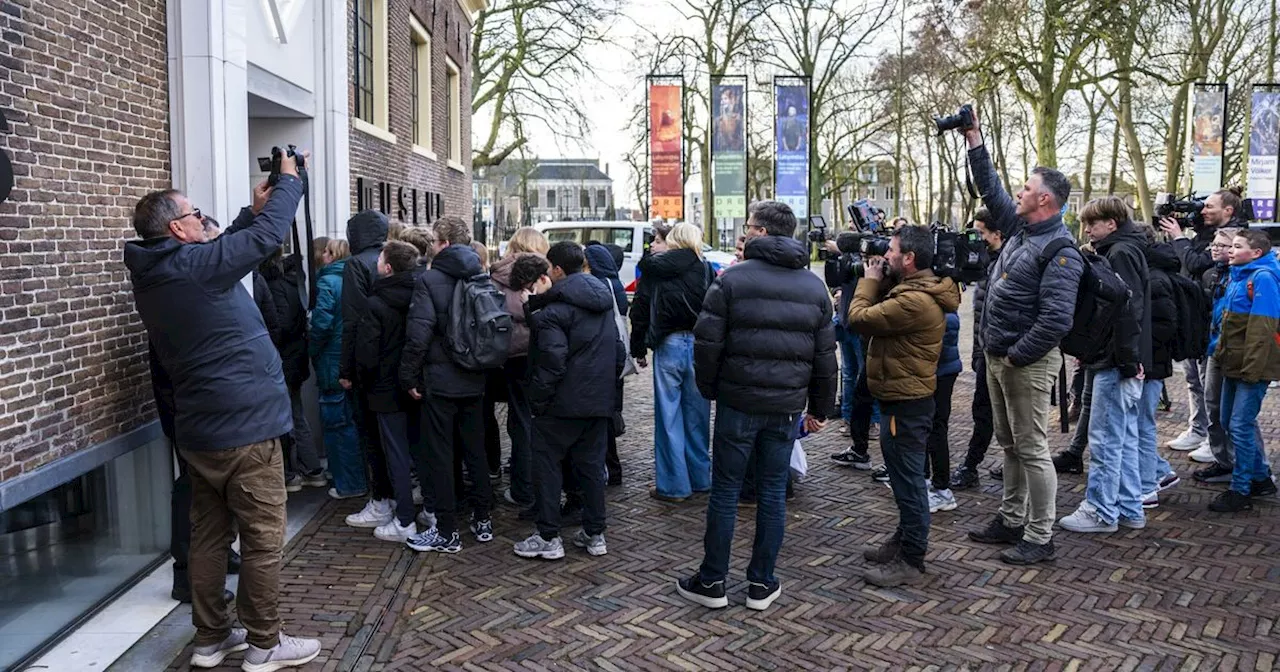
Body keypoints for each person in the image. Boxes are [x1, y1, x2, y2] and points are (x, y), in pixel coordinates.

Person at [125, 156, 321, 669]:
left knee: (209, 537)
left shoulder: (160, 271)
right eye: (196, 214)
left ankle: (211, 638)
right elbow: (262, 240)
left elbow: (224, 249)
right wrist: (289, 184)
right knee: (262, 541)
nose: (203, 219)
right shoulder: (192, 269)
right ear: (177, 228)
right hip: (246, 428)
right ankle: (264, 644)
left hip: (200, 430)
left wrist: (246, 212)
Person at [675, 200, 836, 612]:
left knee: (726, 491)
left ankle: (712, 580)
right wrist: (819, 408)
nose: (743, 233)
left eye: (748, 226)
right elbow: (825, 357)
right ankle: (762, 583)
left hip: (737, 403)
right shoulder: (813, 285)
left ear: (762, 232)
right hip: (784, 408)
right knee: (770, 492)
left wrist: (711, 389)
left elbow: (707, 344)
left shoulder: (731, 280)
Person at [957, 106, 1084, 566]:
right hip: (999, 356)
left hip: (1022, 362)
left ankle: (1040, 534)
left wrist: (1015, 356)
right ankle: (1010, 519)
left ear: (1045, 200)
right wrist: (975, 140)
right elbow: (990, 188)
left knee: (1032, 448)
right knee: (1009, 444)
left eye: (1027, 188)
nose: (1019, 191)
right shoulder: (1019, 229)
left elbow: (1056, 319)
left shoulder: (1060, 248)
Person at [848, 225, 961, 586]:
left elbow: (859, 318)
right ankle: (903, 540)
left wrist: (867, 280)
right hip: (904, 398)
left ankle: (912, 560)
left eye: (893, 250)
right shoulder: (915, 289)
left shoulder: (914, 301)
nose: (887, 255)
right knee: (903, 480)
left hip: (906, 403)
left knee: (910, 483)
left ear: (910, 259)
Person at [513, 242, 624, 560]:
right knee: (590, 467)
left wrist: (538, 398)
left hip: (560, 405)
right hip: (596, 401)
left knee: (547, 467)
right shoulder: (603, 303)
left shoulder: (553, 312)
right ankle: (595, 532)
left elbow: (551, 361)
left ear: (557, 270)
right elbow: (617, 352)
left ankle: (548, 536)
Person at [1056, 197, 1150, 534]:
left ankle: (1100, 510)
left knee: (1106, 438)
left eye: (1092, 224)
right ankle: (1128, 506)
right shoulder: (1126, 250)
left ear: (1111, 223)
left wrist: (1126, 360)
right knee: (1120, 437)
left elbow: (1126, 311)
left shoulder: (1119, 253)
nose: (1087, 231)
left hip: (1114, 361)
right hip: (1115, 358)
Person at [400, 217, 494, 553]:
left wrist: (408, 376)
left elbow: (419, 333)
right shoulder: (482, 274)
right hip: (475, 376)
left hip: (440, 380)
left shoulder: (430, 279)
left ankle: (446, 530)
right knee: (475, 450)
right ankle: (483, 519)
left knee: (440, 455)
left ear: (442, 243)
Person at [627, 223, 713, 502]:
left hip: (668, 343)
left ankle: (674, 485)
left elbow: (640, 308)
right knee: (698, 415)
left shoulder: (654, 269)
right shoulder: (706, 269)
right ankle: (700, 477)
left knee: (669, 416)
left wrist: (638, 346)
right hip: (700, 345)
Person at [1159, 188, 1246, 454]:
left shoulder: (1234, 238)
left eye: (1209, 207)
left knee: (1212, 385)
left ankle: (1214, 439)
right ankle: (1198, 429)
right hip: (1195, 315)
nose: (1203, 211)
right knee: (1193, 379)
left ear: (1228, 211)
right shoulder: (1202, 234)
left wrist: (1178, 237)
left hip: (1214, 318)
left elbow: (1196, 263)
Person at [352, 240, 423, 542]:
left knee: (394, 453)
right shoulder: (421, 295)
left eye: (380, 258)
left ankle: (404, 518)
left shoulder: (376, 302)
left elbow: (367, 352)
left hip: (384, 388)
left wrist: (360, 379)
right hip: (416, 385)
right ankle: (427, 509)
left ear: (388, 267)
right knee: (420, 450)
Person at [1208, 229, 1280, 512]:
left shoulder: (1262, 278)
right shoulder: (1239, 276)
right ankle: (1260, 478)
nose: (1230, 251)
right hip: (1233, 365)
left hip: (1250, 369)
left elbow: (1262, 330)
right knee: (1229, 421)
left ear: (1256, 253)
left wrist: (1252, 370)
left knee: (1239, 425)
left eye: (1237, 247)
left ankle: (1241, 491)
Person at [339, 210, 396, 529]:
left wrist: (346, 369)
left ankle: (380, 500)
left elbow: (353, 322)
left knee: (370, 436)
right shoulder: (396, 258)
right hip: (396, 359)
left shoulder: (356, 265)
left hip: (368, 363)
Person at [488, 227, 549, 513]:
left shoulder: (497, 274)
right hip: (537, 352)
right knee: (534, 421)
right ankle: (531, 486)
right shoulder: (541, 271)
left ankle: (521, 484)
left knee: (519, 419)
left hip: (507, 354)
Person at [259, 247, 322, 492]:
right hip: (295, 359)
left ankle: (294, 471)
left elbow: (281, 325)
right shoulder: (295, 283)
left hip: (283, 361)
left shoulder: (275, 286)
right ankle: (309, 467)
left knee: (288, 416)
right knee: (296, 414)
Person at [310, 238, 368, 500]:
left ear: (333, 256)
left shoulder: (326, 282)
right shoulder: (357, 278)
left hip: (332, 362)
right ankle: (354, 476)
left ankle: (348, 483)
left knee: (337, 425)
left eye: (327, 251)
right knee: (351, 423)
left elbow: (322, 324)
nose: (323, 255)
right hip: (352, 359)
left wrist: (310, 349)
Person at [1194, 228, 1249, 484]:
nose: (1216, 249)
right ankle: (1223, 460)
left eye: (1224, 245)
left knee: (1236, 415)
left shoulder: (1247, 277)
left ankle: (1246, 467)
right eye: (1214, 244)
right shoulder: (1211, 275)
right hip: (1213, 348)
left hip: (1234, 351)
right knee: (1212, 404)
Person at [951, 209, 1001, 489]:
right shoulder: (982, 263)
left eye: (980, 232)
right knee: (982, 410)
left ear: (997, 234)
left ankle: (974, 464)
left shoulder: (1006, 263)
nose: (975, 238)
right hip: (985, 350)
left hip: (1003, 353)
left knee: (1006, 416)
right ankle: (971, 465)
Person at [1138, 225, 1183, 508]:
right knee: (1140, 424)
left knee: (1142, 425)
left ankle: (1147, 487)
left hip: (1150, 365)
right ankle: (1159, 472)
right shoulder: (1150, 275)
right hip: (1150, 363)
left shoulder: (1154, 279)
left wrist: (1141, 356)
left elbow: (1163, 326)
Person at [584, 242, 630, 486]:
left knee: (602, 416)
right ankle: (613, 469)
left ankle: (606, 468)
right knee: (611, 409)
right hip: (615, 354)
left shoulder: (599, 286)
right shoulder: (616, 285)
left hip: (602, 353)